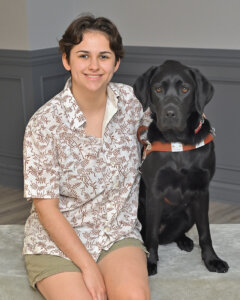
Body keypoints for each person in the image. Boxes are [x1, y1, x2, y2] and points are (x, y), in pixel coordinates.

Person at [23, 14, 151, 300]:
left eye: (104, 56)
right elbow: (46, 209)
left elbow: (164, 130)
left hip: (115, 232)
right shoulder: (43, 124)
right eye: (83, 55)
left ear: (116, 63)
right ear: (66, 60)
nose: (94, 66)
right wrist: (88, 267)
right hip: (56, 243)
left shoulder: (131, 102)